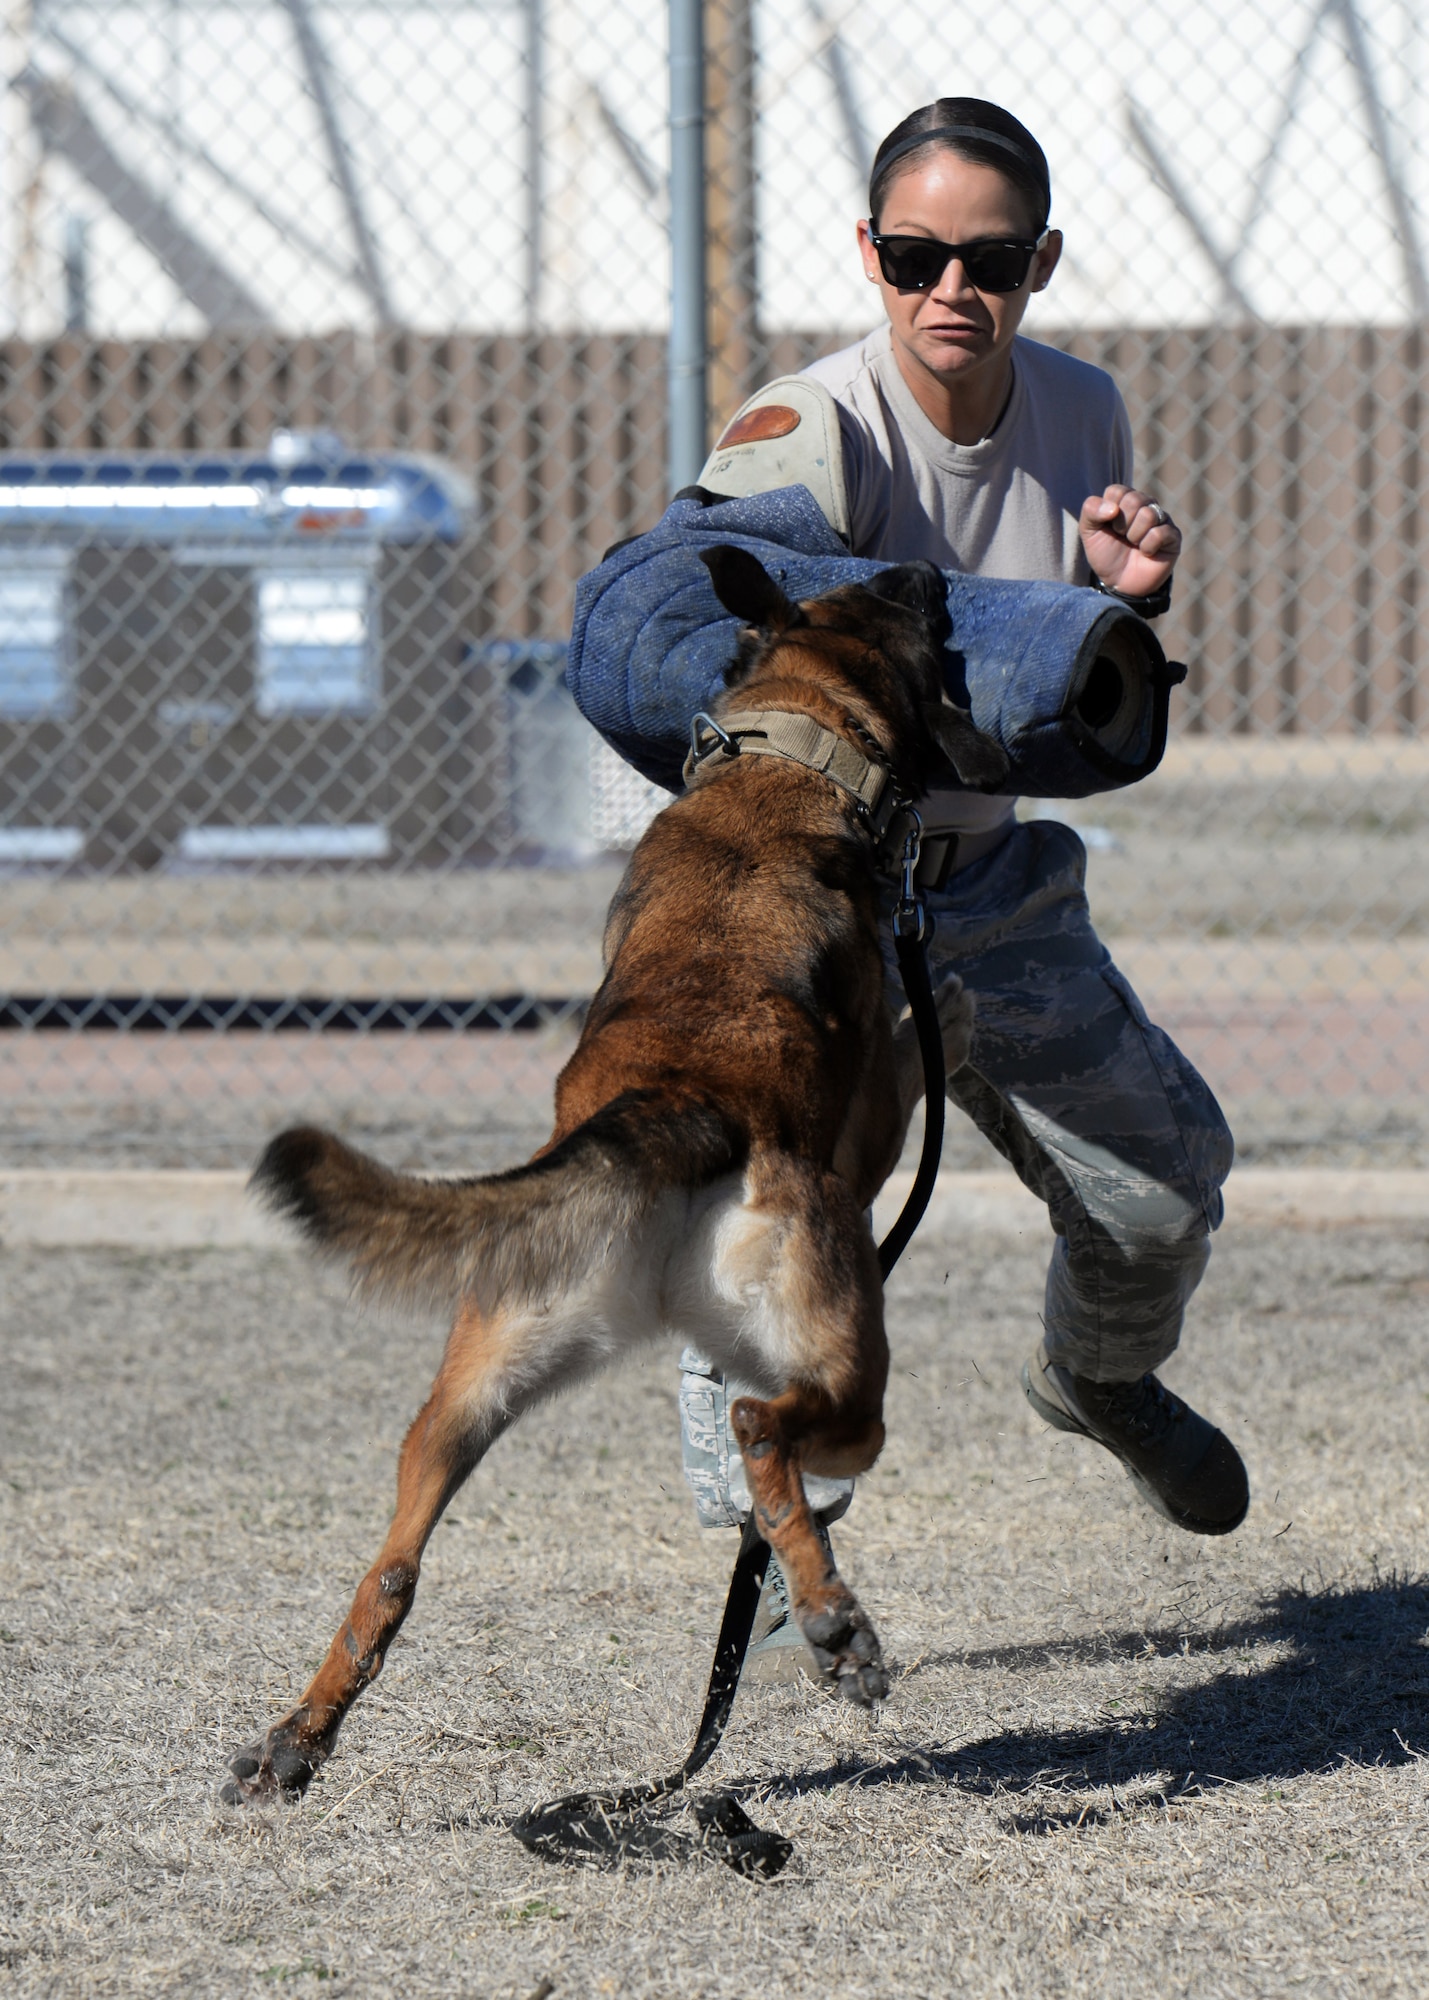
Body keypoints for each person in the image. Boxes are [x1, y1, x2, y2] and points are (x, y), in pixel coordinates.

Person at [677, 97, 1247, 1681]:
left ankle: (1097, 1386)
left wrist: (1115, 609)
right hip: (838, 913)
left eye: (989, 259)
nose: (952, 288)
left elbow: (1041, 679)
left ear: (1037, 262)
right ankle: (780, 1535)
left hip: (996, 887)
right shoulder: (813, 426)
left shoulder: (1081, 407)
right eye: (918, 254)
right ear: (869, 255)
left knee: (1161, 1191)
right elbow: (717, 604)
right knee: (791, 1235)